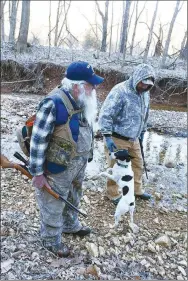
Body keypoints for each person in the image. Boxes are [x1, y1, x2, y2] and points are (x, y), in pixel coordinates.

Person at [28, 61, 104, 257]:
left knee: (73, 196)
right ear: (77, 85)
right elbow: (38, 140)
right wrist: (36, 173)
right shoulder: (53, 103)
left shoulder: (82, 101)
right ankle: (50, 240)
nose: (94, 88)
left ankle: (70, 225)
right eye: (90, 84)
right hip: (57, 168)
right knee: (53, 202)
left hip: (77, 165)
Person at [98, 63, 155, 205]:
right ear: (137, 78)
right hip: (117, 138)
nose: (144, 86)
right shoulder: (120, 91)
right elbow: (106, 114)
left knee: (138, 164)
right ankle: (113, 194)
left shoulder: (145, 93)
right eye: (143, 83)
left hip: (134, 138)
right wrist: (107, 135)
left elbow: (145, 114)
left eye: (148, 84)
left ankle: (137, 190)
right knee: (115, 167)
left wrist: (142, 131)